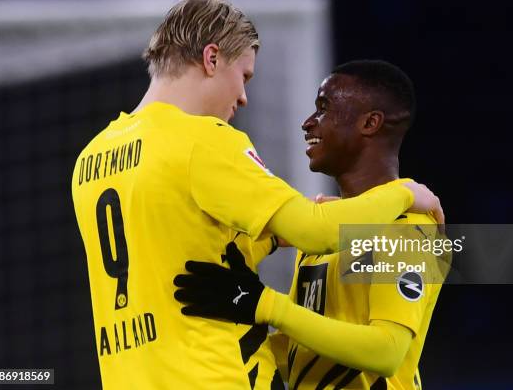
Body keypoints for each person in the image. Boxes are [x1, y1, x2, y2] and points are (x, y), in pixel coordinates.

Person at [71, 0, 443, 389]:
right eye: (244, 76)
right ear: (212, 59)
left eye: (323, 108)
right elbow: (314, 229)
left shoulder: (90, 159)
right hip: (214, 374)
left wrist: (265, 296)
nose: (244, 97)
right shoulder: (204, 142)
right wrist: (405, 192)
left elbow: (386, 352)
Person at [174, 60, 449, 389]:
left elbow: (386, 352)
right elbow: (301, 356)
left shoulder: (410, 228)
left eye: (324, 107)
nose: (308, 123)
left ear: (370, 123)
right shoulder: (323, 235)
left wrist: (267, 306)